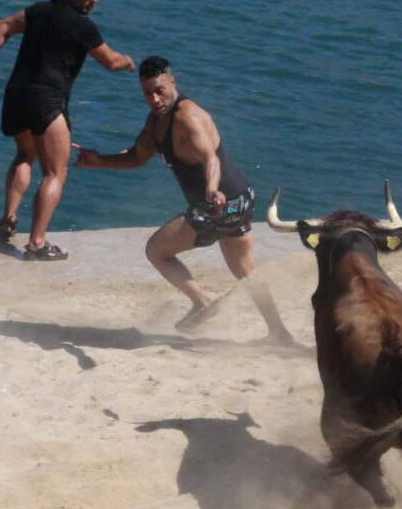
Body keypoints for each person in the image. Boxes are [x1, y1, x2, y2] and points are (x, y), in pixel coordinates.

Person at [75, 57, 296, 341]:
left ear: (172, 82)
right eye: (147, 93)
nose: (154, 99)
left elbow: (210, 158)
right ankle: (279, 332)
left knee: (157, 250)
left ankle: (202, 302)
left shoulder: (187, 117)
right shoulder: (156, 121)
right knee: (246, 271)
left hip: (219, 203)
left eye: (159, 90)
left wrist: (212, 190)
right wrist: (99, 161)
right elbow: (136, 156)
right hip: (241, 197)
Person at [0, 0, 134, 260]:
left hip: (17, 94)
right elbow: (110, 61)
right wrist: (128, 61)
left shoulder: (39, 11)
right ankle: (37, 244)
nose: (93, 0)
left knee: (25, 155)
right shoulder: (83, 26)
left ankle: (7, 220)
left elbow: (3, 25)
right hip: (47, 98)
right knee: (56, 171)